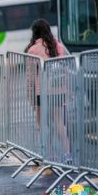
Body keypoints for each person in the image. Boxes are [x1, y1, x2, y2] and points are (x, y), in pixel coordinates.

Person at [24, 19, 69, 162]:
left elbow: (30, 76)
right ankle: (68, 154)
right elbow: (65, 69)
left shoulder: (32, 50)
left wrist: (29, 95)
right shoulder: (59, 46)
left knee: (42, 124)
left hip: (41, 90)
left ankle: (48, 155)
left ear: (35, 33)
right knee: (59, 122)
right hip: (58, 89)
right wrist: (67, 90)